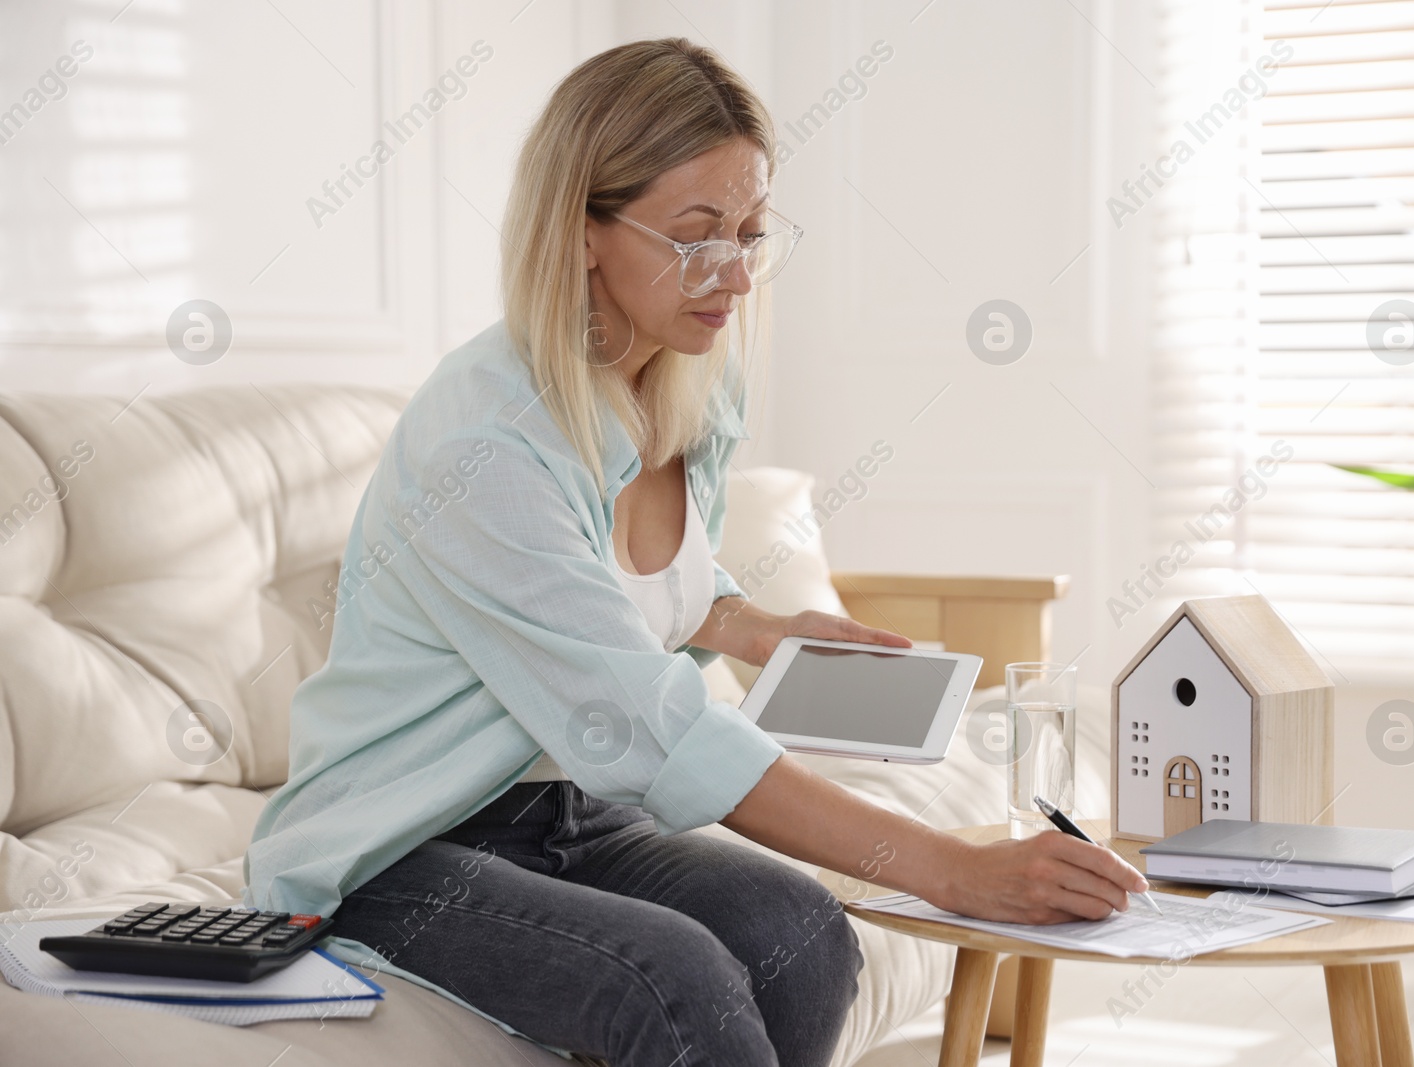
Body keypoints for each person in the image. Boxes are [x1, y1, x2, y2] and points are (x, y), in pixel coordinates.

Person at [243, 36, 1148, 1067]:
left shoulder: (686, 375)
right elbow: (648, 722)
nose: (733, 273)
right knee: (676, 983)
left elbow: (630, 582)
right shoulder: (484, 444)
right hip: (398, 843)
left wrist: (752, 625)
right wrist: (947, 866)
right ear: (582, 229)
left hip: (567, 814)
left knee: (799, 936)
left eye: (752, 232)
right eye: (694, 234)